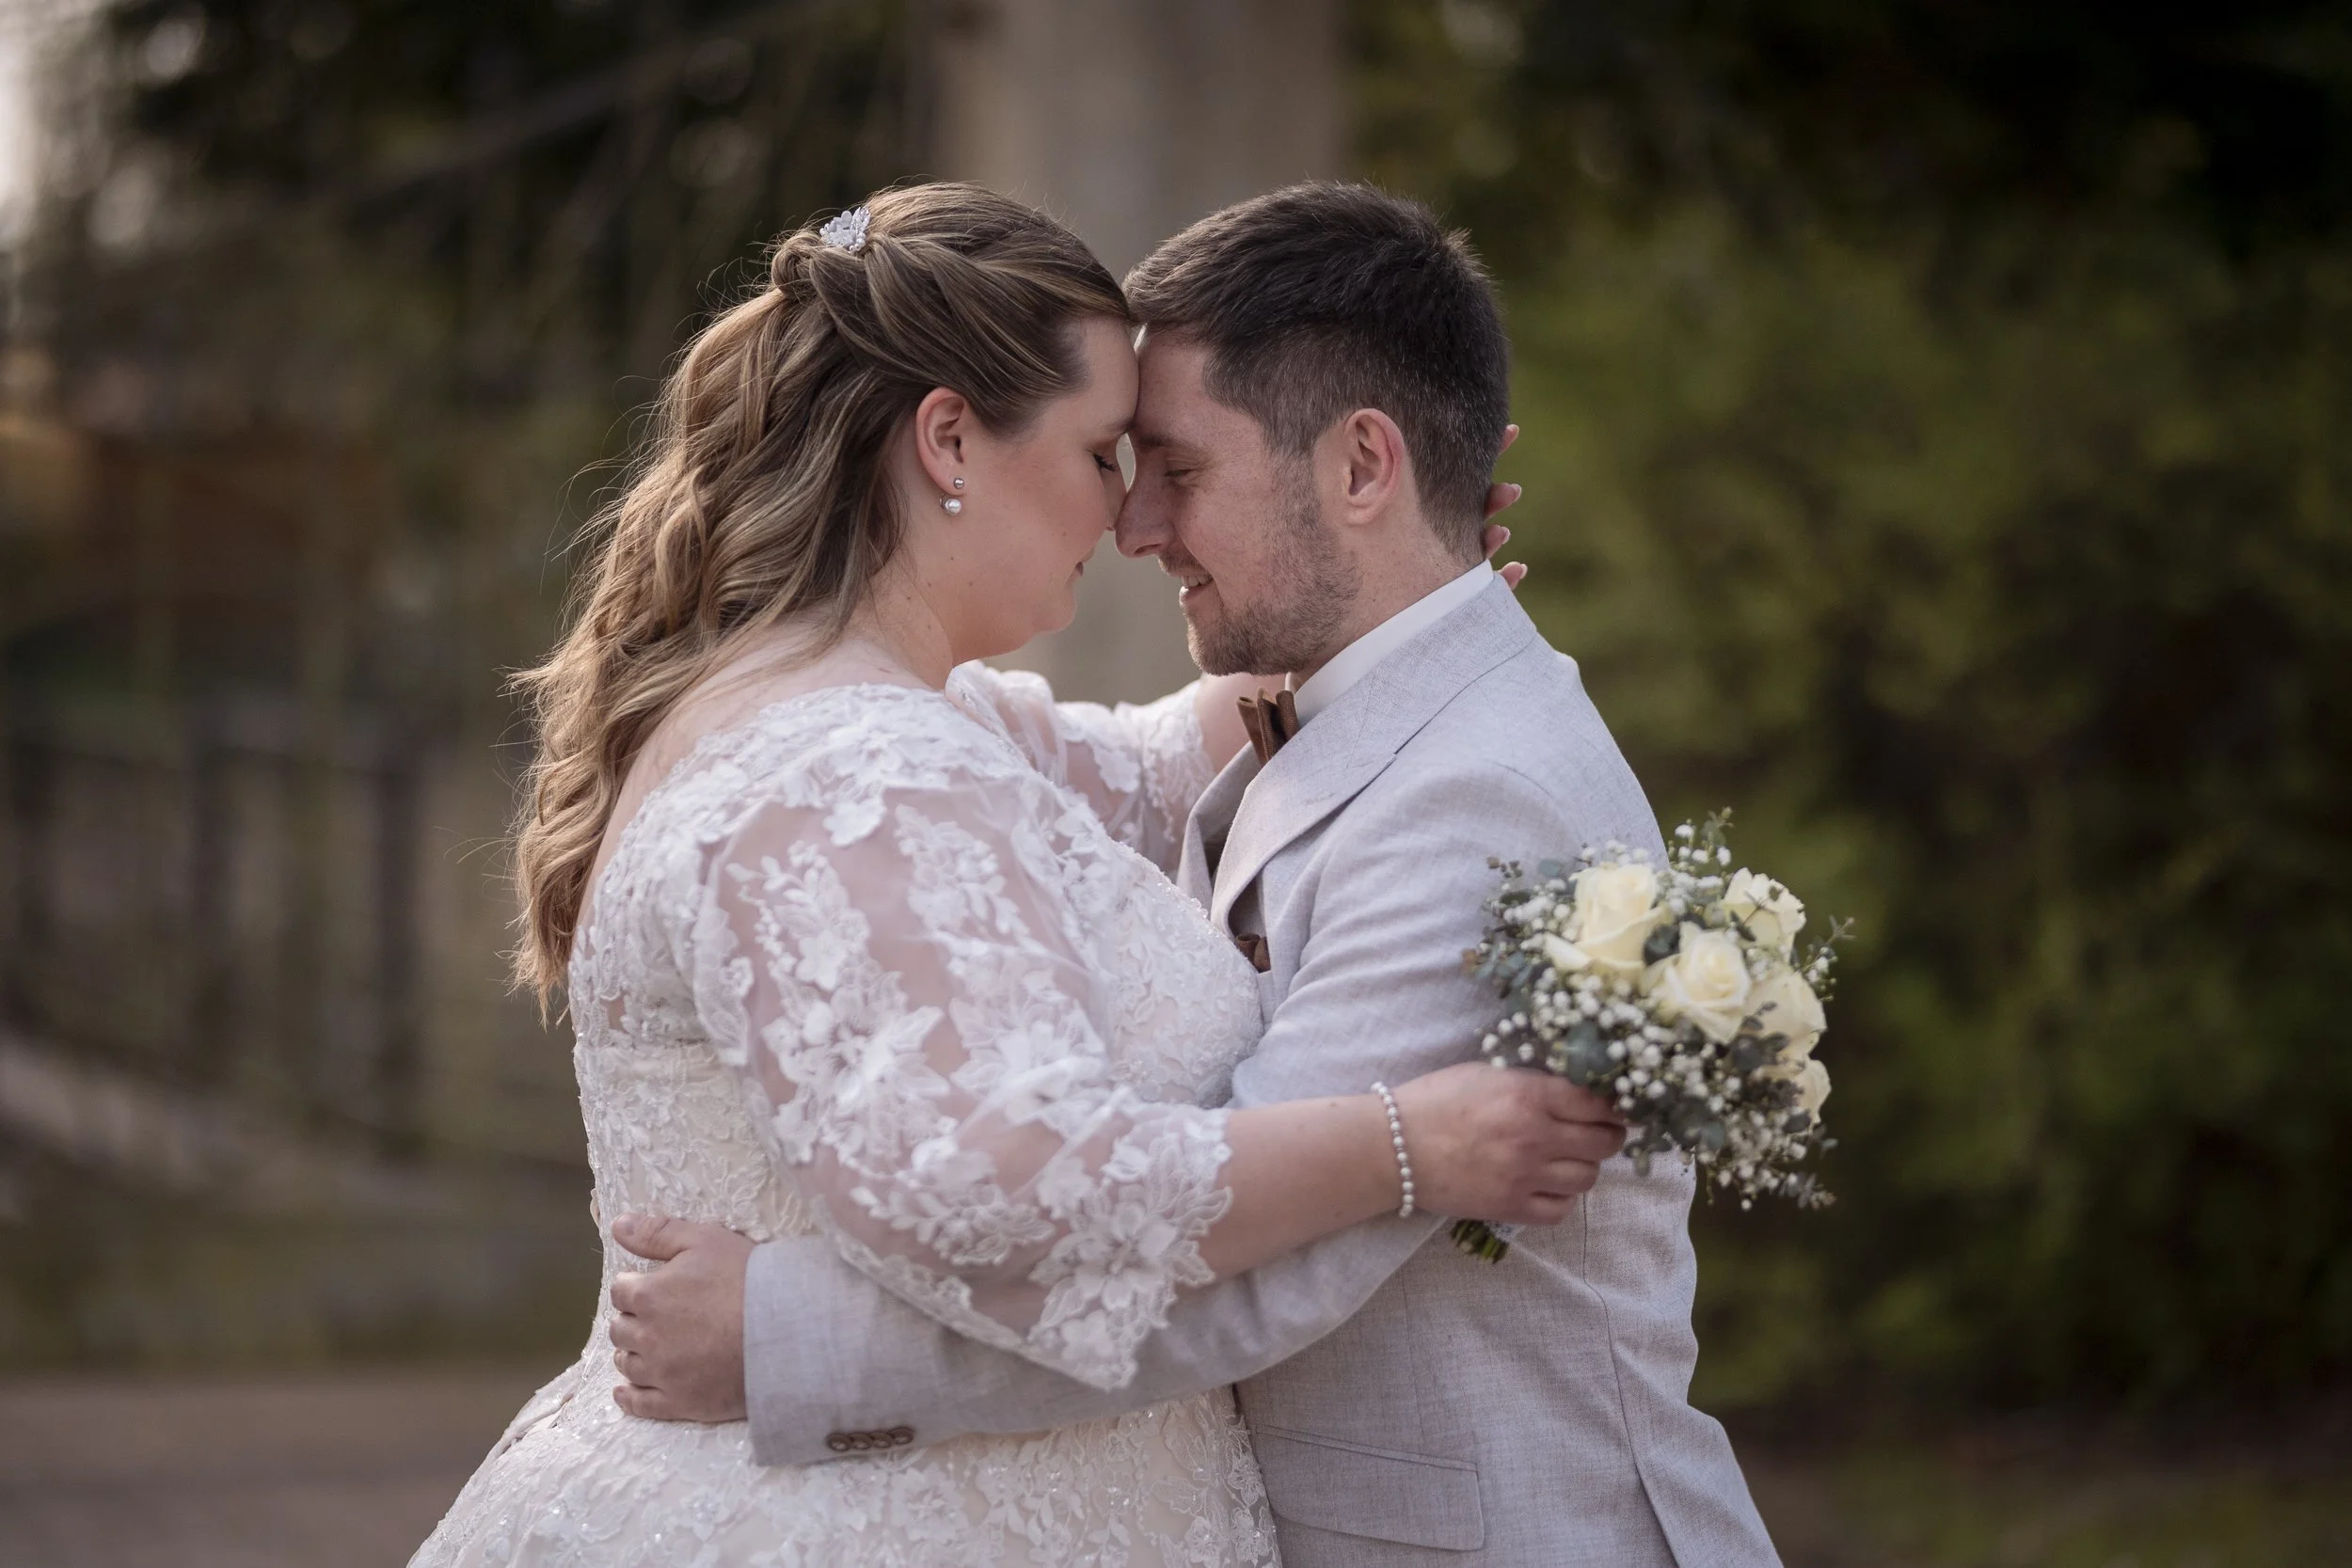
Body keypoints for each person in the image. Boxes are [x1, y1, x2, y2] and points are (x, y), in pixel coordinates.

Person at [406, 182, 1628, 1568]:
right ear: (947, 439)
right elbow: (1027, 1197)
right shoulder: (857, 774)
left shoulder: (879, 720)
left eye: (1163, 465)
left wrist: (1390, 610)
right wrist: (1405, 1142)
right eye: (1109, 453)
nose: (1128, 520)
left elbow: (1155, 761)